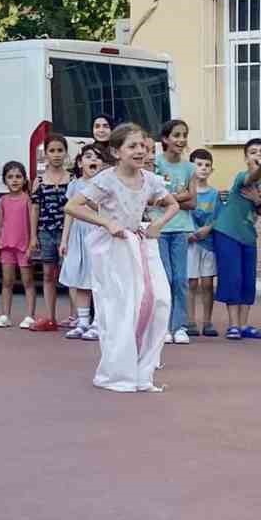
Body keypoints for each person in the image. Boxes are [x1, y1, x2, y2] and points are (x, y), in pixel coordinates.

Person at [65, 123, 179, 392]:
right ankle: (117, 371)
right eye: (132, 146)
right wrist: (106, 223)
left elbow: (172, 204)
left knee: (157, 300)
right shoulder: (107, 179)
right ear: (117, 152)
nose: (140, 151)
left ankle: (142, 368)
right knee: (120, 308)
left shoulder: (149, 179)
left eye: (142, 146)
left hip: (138, 245)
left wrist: (158, 224)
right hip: (113, 249)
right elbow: (72, 206)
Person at [213, 137, 261, 340]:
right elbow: (252, 177)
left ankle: (245, 324)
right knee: (233, 277)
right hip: (227, 233)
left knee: (248, 279)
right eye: (254, 152)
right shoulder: (242, 177)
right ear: (246, 158)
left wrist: (259, 199)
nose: (259, 155)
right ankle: (233, 325)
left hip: (248, 236)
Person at [152, 119, 196, 345]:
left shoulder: (190, 168)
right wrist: (180, 197)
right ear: (166, 139)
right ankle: (163, 326)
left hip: (180, 229)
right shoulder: (155, 164)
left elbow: (193, 201)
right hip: (159, 228)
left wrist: (169, 200)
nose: (181, 140)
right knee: (165, 278)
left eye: (184, 135)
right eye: (176, 135)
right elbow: (152, 197)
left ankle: (179, 326)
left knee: (180, 279)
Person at [59, 144, 104, 339]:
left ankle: (98, 323)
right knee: (80, 279)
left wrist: (89, 197)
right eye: (88, 157)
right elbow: (69, 212)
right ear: (80, 162)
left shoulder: (105, 185)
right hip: (78, 235)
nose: (93, 160)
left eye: (97, 157)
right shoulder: (74, 185)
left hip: (97, 233)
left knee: (97, 280)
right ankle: (83, 321)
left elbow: (102, 210)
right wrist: (64, 239)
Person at [32, 135, 71, 331]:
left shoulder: (73, 179)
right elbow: (35, 209)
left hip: (68, 232)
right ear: (46, 154)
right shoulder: (39, 181)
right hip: (46, 231)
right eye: (52, 151)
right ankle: (50, 316)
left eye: (60, 150)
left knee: (71, 274)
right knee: (48, 274)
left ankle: (75, 316)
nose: (56, 155)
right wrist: (33, 236)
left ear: (65, 153)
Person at [0, 160, 38, 328]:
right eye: (10, 177)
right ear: (5, 180)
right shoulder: (2, 201)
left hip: (23, 246)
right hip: (6, 246)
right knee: (7, 281)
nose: (14, 180)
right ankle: (5, 315)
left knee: (28, 280)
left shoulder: (28, 200)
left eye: (18, 176)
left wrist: (32, 243)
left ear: (25, 179)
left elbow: (32, 222)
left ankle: (30, 315)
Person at [186, 149, 220, 337]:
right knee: (191, 283)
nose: (203, 168)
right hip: (190, 243)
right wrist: (189, 232)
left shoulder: (214, 194)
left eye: (207, 165)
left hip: (209, 244)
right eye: (199, 164)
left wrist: (208, 228)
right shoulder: (187, 192)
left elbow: (218, 217)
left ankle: (207, 322)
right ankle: (190, 321)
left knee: (207, 283)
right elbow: (182, 213)